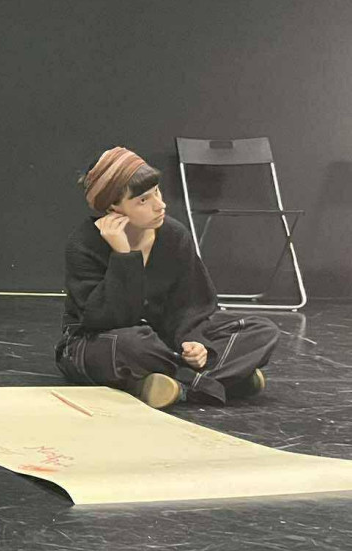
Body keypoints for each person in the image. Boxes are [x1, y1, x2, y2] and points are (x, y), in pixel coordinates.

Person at [56, 146, 280, 407]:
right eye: (143, 200)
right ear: (113, 207)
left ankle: (173, 384)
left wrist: (194, 343)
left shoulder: (174, 235)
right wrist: (124, 256)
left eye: (157, 192)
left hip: (164, 340)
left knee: (262, 331)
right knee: (131, 345)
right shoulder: (83, 244)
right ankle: (223, 379)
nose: (160, 205)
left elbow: (193, 304)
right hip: (100, 341)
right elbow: (107, 319)